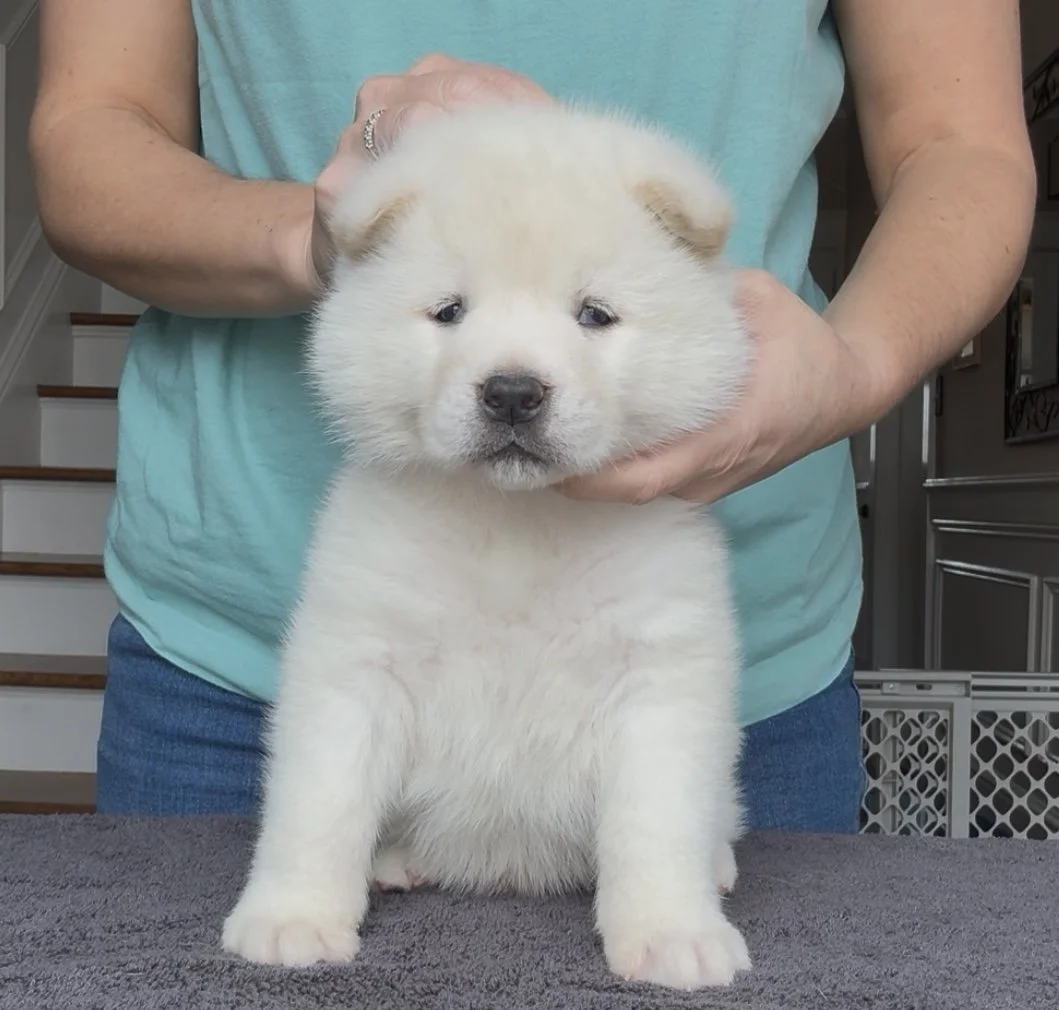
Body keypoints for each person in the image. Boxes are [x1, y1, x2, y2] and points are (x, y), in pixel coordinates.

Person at [30, 1, 1035, 829]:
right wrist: (326, 242)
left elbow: (962, 144)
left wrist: (855, 366)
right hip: (260, 644)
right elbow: (92, 131)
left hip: (692, 666)